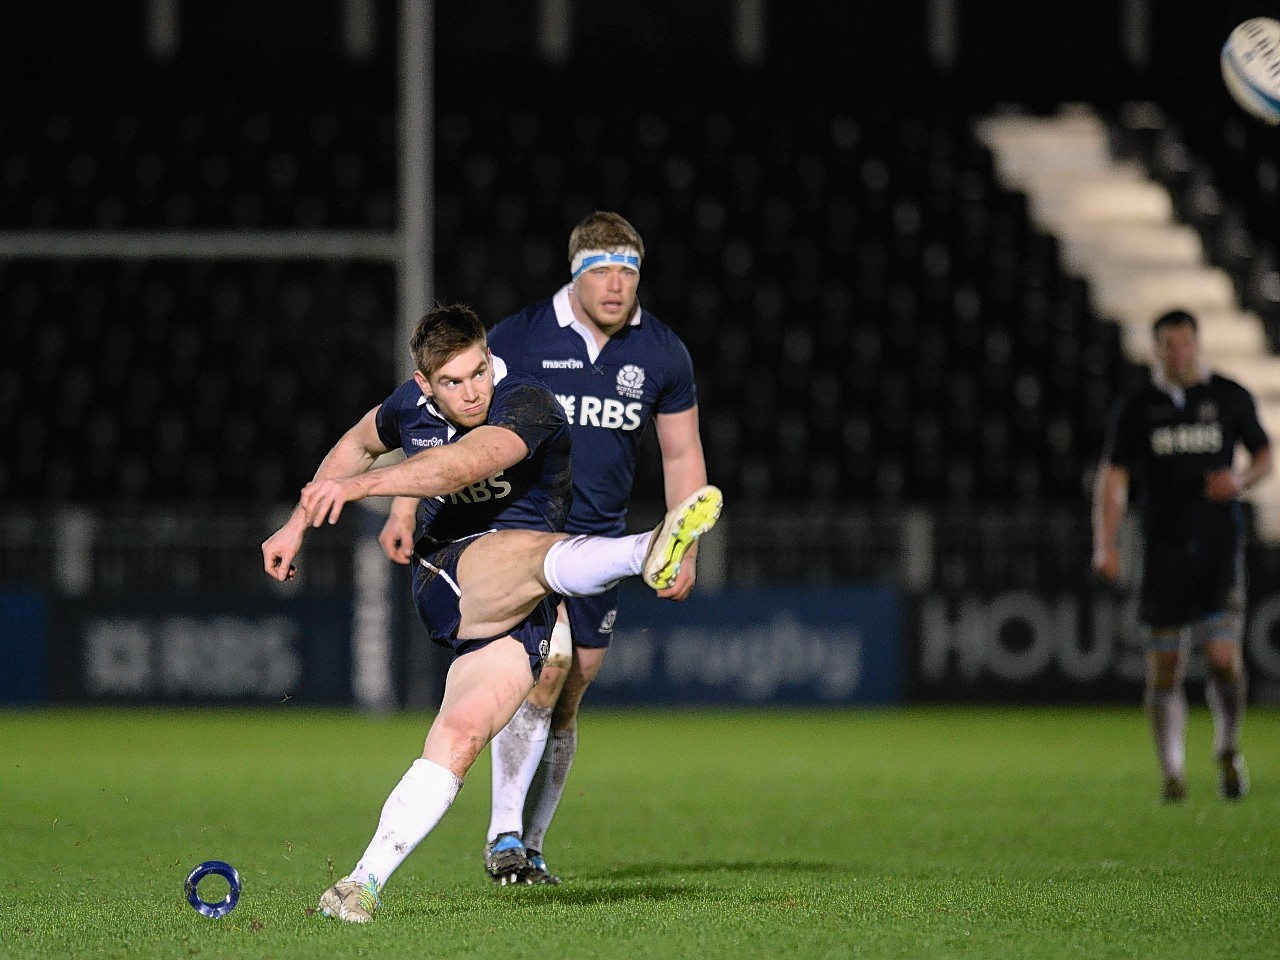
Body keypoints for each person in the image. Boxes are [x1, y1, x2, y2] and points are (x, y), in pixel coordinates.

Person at [261, 303, 723, 922]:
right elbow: (357, 443)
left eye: (479, 371)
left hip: (520, 608)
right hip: (450, 574)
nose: (474, 390)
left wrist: (365, 489)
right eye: (454, 382)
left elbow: (471, 460)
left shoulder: (526, 402)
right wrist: (298, 523)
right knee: (533, 554)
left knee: (461, 736)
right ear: (425, 384)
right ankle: (645, 549)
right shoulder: (409, 407)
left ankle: (359, 884)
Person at [379, 211, 709, 885]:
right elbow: (438, 423)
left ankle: (529, 845)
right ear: (576, 273)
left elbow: (682, 453)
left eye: (628, 271)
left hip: (601, 540)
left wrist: (690, 545)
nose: (617, 286)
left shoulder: (663, 353)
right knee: (548, 665)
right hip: (516, 531)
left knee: (569, 689)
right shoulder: (521, 338)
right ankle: (503, 837)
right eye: (602, 271)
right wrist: (404, 504)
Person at [1092, 308, 1272, 803]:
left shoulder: (1228, 396)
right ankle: (1171, 770)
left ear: (1198, 343)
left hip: (1218, 547)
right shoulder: (1139, 407)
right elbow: (1114, 477)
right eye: (1169, 344)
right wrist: (1104, 542)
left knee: (1222, 659)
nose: (1179, 352)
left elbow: (1263, 454)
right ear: (1157, 350)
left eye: (1186, 342)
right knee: (1165, 667)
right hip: (1164, 549)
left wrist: (1239, 480)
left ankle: (1228, 748)